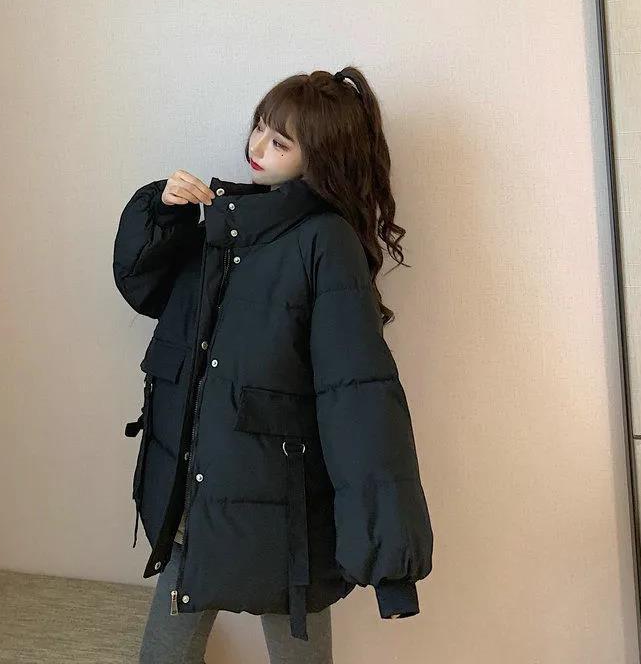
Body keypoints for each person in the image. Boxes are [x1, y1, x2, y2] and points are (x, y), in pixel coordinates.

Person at [113, 66, 434, 664]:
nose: (258, 147)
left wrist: (392, 563)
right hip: (195, 494)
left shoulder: (324, 242)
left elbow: (357, 397)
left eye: (280, 141)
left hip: (285, 512)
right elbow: (146, 289)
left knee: (296, 645)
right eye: (259, 128)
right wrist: (163, 212)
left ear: (319, 158)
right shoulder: (227, 226)